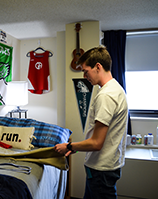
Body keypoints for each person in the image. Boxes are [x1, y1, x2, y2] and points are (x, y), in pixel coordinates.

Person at [54, 46, 128, 199]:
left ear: (98, 67)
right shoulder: (116, 89)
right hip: (107, 165)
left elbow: (96, 143)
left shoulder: (106, 95)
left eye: (85, 70)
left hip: (101, 169)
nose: (84, 75)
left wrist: (69, 146)